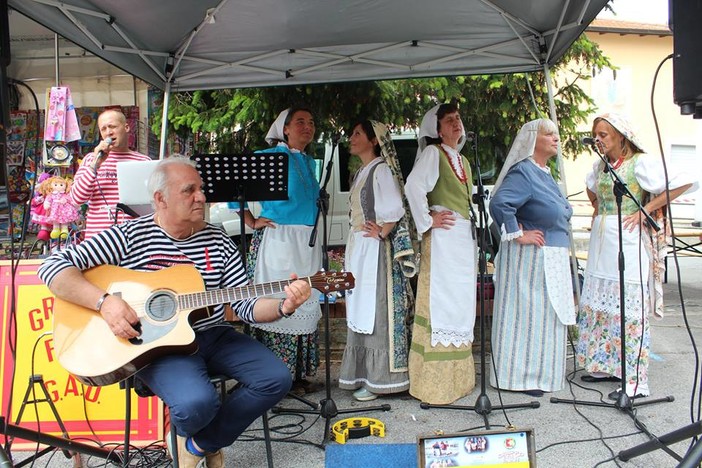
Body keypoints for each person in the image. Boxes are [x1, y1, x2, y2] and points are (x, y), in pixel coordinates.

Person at [38, 156, 312, 468]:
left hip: (213, 334)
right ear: (160, 198)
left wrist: (284, 305)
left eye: (201, 189)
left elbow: (245, 304)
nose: (202, 197)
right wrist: (105, 302)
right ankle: (196, 436)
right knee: (197, 403)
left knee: (276, 378)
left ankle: (198, 443)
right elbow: (53, 267)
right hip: (158, 346)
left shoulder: (218, 239)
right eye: (189, 190)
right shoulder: (128, 237)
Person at [576, 113, 694, 400]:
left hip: (628, 242)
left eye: (604, 135)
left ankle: (635, 381)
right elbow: (592, 189)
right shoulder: (600, 166)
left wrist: (646, 209)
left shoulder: (639, 164)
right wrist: (597, 207)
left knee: (629, 309)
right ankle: (605, 364)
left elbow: (684, 182)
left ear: (620, 136)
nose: (599, 140)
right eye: (597, 135)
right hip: (602, 243)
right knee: (602, 307)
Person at [488, 118, 575, 398]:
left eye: (555, 133)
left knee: (546, 316)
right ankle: (521, 376)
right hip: (531, 257)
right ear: (531, 141)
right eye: (548, 133)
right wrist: (517, 233)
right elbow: (500, 202)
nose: (555, 137)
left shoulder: (545, 173)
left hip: (551, 255)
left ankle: (542, 373)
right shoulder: (524, 171)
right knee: (528, 317)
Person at [241, 107, 323, 395]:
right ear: (285, 129)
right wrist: (251, 220)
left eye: (311, 122)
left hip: (306, 243)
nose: (307, 127)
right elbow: (233, 193)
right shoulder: (268, 157)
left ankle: (297, 374)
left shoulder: (310, 161)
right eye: (300, 122)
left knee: (304, 298)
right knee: (278, 297)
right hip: (279, 239)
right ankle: (275, 376)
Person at [338, 120, 417, 401]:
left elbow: (395, 208)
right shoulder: (363, 171)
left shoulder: (381, 169)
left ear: (373, 140)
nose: (351, 138)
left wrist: (381, 231)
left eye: (357, 133)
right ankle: (365, 374)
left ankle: (383, 378)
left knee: (376, 311)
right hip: (362, 249)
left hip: (376, 253)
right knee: (362, 309)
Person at [405, 102, 477, 404]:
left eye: (458, 119)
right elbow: (413, 186)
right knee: (442, 302)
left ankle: (458, 381)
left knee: (459, 305)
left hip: (461, 241)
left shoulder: (462, 160)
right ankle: (434, 385)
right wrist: (427, 220)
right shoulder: (433, 154)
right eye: (449, 121)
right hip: (444, 240)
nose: (456, 124)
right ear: (436, 129)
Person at [71, 109, 151, 239]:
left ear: (126, 127)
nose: (108, 132)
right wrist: (95, 165)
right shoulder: (91, 159)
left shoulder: (143, 161)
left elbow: (153, 203)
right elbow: (76, 199)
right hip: (99, 240)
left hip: (135, 239)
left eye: (112, 126)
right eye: (103, 129)